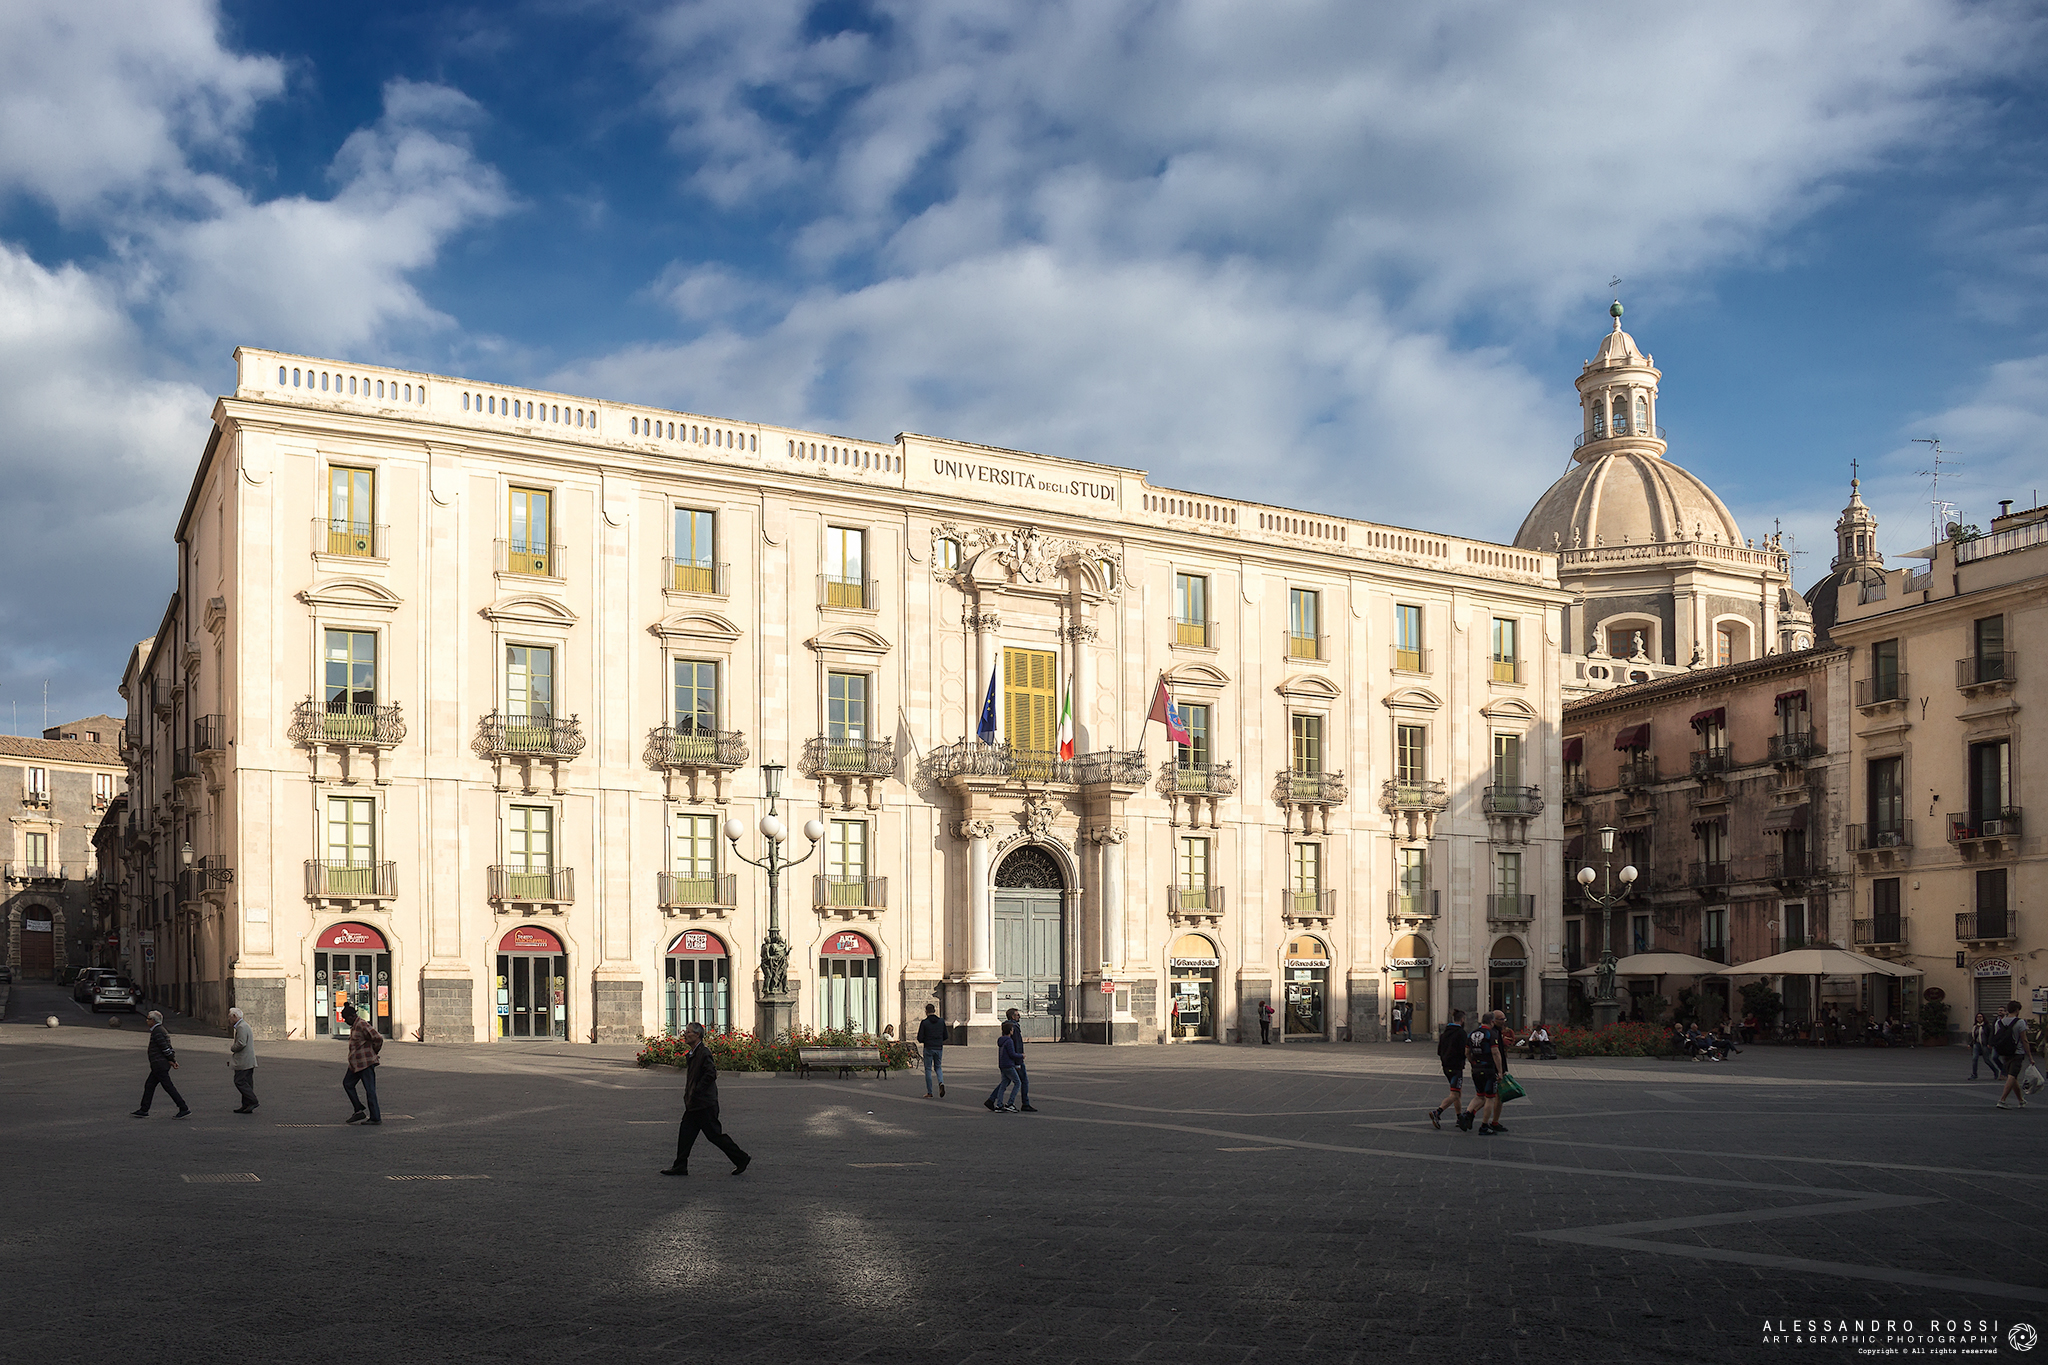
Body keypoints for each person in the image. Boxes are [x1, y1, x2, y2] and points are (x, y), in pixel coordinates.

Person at [663, 1023, 751, 1175]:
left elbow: (710, 1073)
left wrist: (697, 1090)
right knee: (686, 1133)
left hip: (704, 1104)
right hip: (695, 1103)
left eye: (688, 1032)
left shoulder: (703, 1052)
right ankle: (680, 1165)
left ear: (697, 1035)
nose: (685, 1034)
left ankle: (741, 1158)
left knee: (714, 1135)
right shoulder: (693, 1053)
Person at [131, 1010, 191, 1119]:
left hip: (159, 1065)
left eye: (148, 1019)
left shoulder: (158, 1031)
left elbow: (165, 1048)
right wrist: (172, 1060)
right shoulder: (159, 1030)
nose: (147, 1021)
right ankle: (144, 1109)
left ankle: (183, 1107)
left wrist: (171, 1059)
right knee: (149, 1085)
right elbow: (167, 1047)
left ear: (153, 1020)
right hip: (159, 1064)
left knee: (168, 1087)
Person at [1463, 1010, 1508, 1135]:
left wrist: (1473, 1062)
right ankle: (1484, 1125)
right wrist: (1500, 1071)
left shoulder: (1472, 1033)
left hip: (1476, 1069)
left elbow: (1467, 1052)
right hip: (1488, 1069)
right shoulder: (1490, 1034)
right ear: (1492, 1022)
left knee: (1479, 1095)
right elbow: (1495, 1053)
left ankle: (1467, 1114)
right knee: (1490, 1098)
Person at [340, 1003, 383, 1125]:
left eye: (346, 1019)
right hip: (355, 1063)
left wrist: (374, 1051)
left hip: (365, 1062)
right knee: (347, 1084)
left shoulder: (362, 1024)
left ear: (352, 1016)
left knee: (370, 1090)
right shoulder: (354, 1026)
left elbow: (378, 1038)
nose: (345, 1021)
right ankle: (358, 1109)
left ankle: (375, 1117)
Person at [1428, 1008, 1467, 1129]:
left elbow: (1439, 1051)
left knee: (1457, 1091)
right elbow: (1464, 1050)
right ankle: (1438, 1112)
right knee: (1455, 1094)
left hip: (1446, 1066)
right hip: (1456, 1067)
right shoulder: (1461, 1033)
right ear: (1462, 1020)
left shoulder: (1444, 1033)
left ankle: (1459, 1117)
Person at [1994, 1000, 2034, 1111]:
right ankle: (2002, 1100)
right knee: (2012, 1076)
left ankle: (2021, 1100)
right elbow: (2024, 1040)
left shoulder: (1999, 1022)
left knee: (2013, 1076)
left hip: (2005, 1052)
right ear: (2017, 1010)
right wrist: (2030, 1056)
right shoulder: (2020, 1022)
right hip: (2017, 1052)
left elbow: (1997, 1037)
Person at [1002, 1007, 1037, 1110]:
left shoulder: (1006, 1026)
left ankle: (992, 1099)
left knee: (1006, 1081)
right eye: (1017, 1015)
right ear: (1013, 1016)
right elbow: (1017, 1045)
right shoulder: (1014, 1028)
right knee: (1023, 1081)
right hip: (1016, 1059)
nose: (1019, 1016)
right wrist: (1019, 1061)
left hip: (1007, 1060)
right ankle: (1024, 1103)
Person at [986, 1021, 1023, 1112]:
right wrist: (1021, 1056)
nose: (1013, 1031)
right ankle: (1010, 1103)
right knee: (1017, 1083)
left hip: (1002, 1064)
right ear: (1010, 1031)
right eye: (1012, 1029)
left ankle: (999, 1105)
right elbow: (1012, 1054)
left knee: (1003, 1084)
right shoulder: (1009, 1041)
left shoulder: (1001, 1040)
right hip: (1009, 1065)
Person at [228, 1006, 258, 1113]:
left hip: (243, 1060)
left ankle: (252, 1101)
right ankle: (246, 1105)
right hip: (248, 1060)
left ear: (234, 1016)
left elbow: (241, 1043)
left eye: (230, 1017)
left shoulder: (241, 1027)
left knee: (239, 1081)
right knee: (247, 1082)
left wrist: (233, 1048)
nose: (229, 1019)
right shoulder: (243, 1025)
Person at [916, 1003, 949, 1098]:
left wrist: (926, 1040)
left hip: (928, 1048)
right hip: (938, 1047)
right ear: (934, 1010)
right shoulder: (941, 1021)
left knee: (928, 1069)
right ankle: (941, 1082)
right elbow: (946, 1036)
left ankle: (929, 1092)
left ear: (926, 1011)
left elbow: (920, 1038)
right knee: (938, 1067)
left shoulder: (924, 1022)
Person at [1969, 1012, 1995, 1080]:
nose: (1979, 1018)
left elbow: (1990, 1035)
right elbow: (1974, 1037)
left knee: (1986, 1060)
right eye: (1978, 1017)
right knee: (1974, 1058)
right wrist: (1970, 1044)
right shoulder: (1975, 1027)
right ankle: (1974, 1074)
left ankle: (1995, 1071)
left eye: (1980, 1017)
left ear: (1983, 1018)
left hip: (1984, 1044)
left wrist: (1989, 1043)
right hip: (1976, 1044)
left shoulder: (1987, 1026)